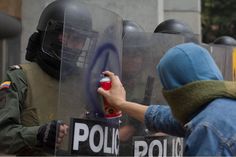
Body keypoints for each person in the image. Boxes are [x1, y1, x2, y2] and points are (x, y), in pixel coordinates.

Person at [98, 42, 236, 156]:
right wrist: (120, 103)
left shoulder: (207, 130)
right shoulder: (223, 104)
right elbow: (163, 117)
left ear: (176, 92)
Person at [0, 0, 95, 155]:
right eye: (67, 36)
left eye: (80, 40)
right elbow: (3, 135)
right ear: (49, 34)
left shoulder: (88, 84)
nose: (73, 45)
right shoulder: (21, 77)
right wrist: (38, 134)